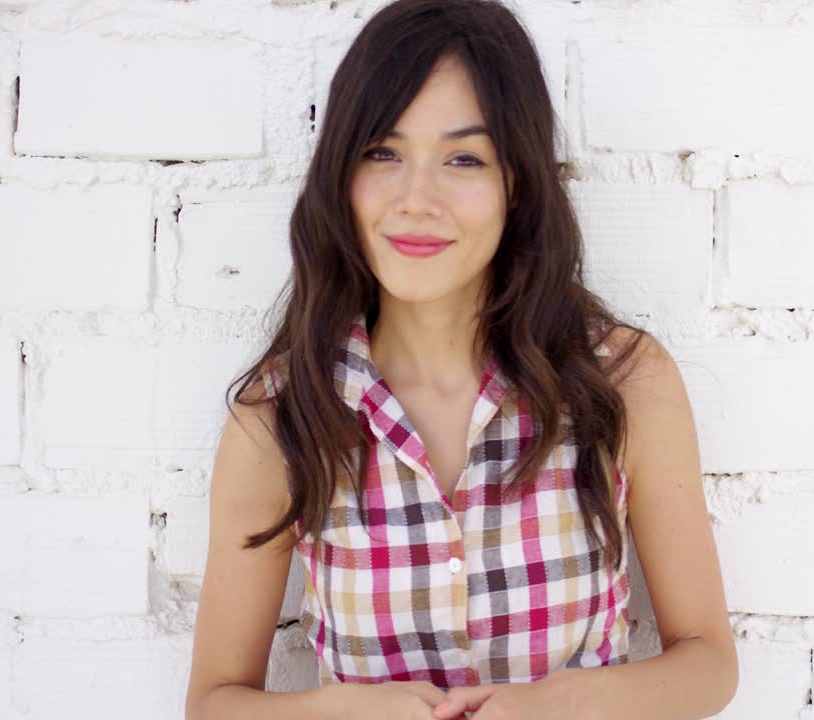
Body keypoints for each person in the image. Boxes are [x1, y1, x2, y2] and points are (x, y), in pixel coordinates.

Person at [184, 0, 737, 718]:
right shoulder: (286, 413)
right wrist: (342, 714)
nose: (417, 200)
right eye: (382, 153)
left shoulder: (624, 381)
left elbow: (708, 662)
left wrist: (559, 704)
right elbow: (213, 703)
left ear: (519, 182)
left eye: (464, 159)